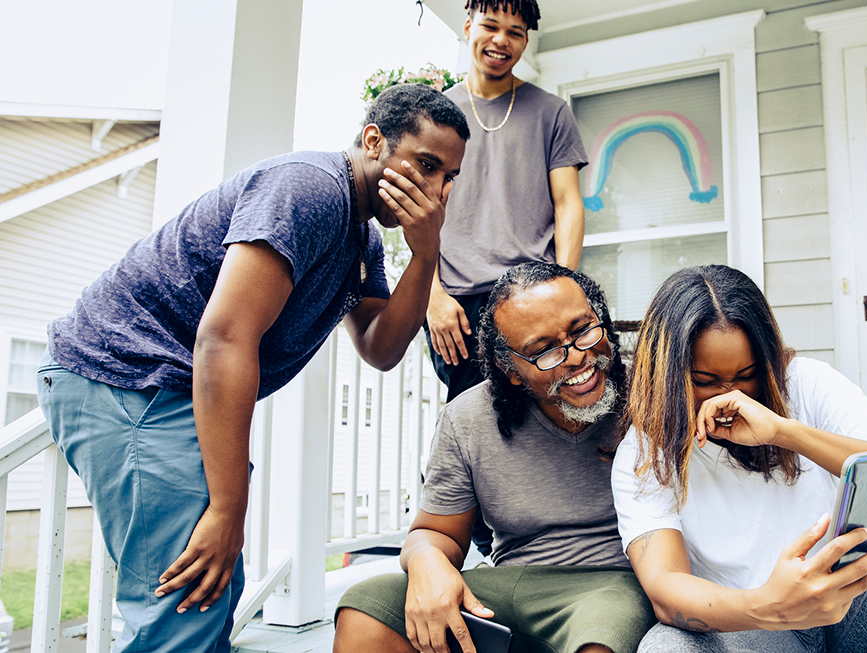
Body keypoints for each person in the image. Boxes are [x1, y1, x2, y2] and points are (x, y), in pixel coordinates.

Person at [35, 84, 469, 653]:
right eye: (427, 166)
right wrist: (227, 506)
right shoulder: (309, 190)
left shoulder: (359, 235)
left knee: (209, 593)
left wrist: (426, 253)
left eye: (449, 179)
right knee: (185, 605)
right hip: (127, 377)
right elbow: (223, 339)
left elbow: (381, 345)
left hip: (162, 391)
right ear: (373, 142)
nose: (436, 191)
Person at [612, 265, 867, 653]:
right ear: (666, 374)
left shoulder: (804, 383)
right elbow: (667, 589)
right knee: (666, 647)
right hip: (758, 628)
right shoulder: (644, 452)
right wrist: (770, 605)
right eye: (705, 381)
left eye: (748, 374)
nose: (729, 396)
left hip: (858, 600)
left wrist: (783, 431)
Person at [334, 262, 656, 653]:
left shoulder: (654, 396)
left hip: (616, 582)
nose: (576, 357)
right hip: (510, 583)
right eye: (546, 351)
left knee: (601, 640)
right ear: (511, 370)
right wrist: (427, 561)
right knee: (365, 611)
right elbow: (435, 533)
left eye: (583, 330)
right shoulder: (468, 417)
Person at [425, 0, 587, 405]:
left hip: (530, 292)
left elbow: (568, 203)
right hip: (457, 304)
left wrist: (561, 289)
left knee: (544, 416)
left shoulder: (551, 113)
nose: (501, 40)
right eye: (491, 26)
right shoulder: (435, 117)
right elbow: (418, 212)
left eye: (515, 32)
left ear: (526, 40)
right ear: (467, 27)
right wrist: (432, 296)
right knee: (472, 421)